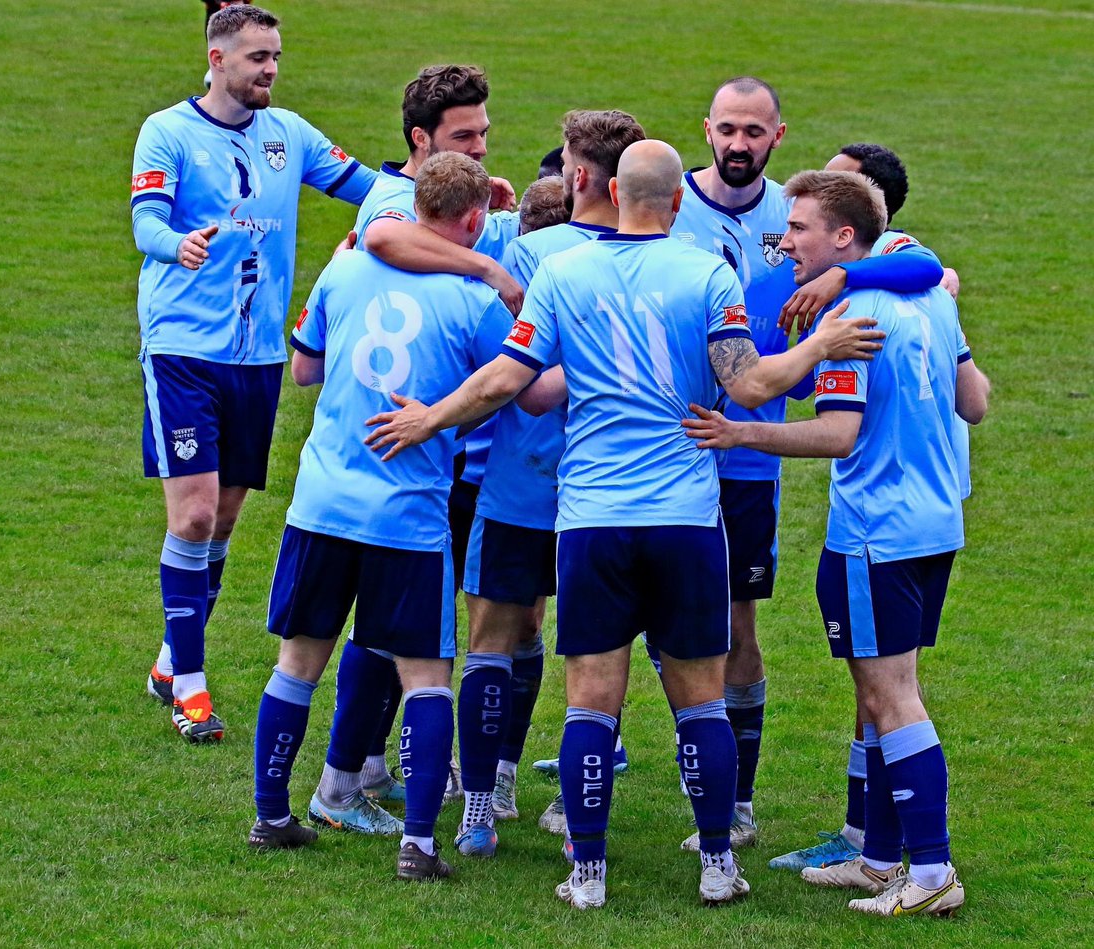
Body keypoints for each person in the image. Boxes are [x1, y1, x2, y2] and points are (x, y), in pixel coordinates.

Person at [364, 140, 886, 909]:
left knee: (590, 700)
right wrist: (821, 344)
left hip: (592, 517)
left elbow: (509, 378)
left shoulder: (564, 274)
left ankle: (588, 873)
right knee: (699, 698)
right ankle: (717, 863)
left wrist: (431, 417)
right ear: (679, 203)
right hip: (682, 516)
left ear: (612, 191)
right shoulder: (707, 272)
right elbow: (746, 385)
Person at [684, 169, 989, 917]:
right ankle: (881, 859)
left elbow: (837, 431)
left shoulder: (850, 316)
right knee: (889, 692)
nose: (785, 242)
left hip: (874, 533)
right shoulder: (929, 296)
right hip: (935, 523)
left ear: (844, 239)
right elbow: (974, 401)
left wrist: (739, 432)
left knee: (891, 697)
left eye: (799, 230)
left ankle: (933, 872)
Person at [666, 79, 945, 853]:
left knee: (742, 628)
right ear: (707, 129)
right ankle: (878, 846)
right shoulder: (670, 207)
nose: (739, 143)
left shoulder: (815, 232)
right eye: (727, 127)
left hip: (750, 460)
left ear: (775, 136)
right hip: (672, 448)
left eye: (754, 130)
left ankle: (758, 809)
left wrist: (846, 277)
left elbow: (926, 266)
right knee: (641, 622)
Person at [247, 153, 514, 881]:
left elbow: (303, 367)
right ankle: (420, 845)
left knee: (298, 665)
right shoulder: (471, 299)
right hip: (408, 516)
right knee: (427, 676)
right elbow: (534, 389)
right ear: (474, 220)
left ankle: (271, 815)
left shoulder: (345, 269)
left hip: (322, 503)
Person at [131, 4, 376, 742]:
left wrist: (455, 193)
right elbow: (146, 222)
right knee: (195, 514)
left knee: (226, 519)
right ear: (216, 58)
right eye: (256, 58)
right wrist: (180, 246)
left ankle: (172, 658)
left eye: (275, 57)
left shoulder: (289, 135)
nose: (269, 69)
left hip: (257, 356)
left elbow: (366, 185)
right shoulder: (167, 132)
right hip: (182, 347)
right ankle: (193, 691)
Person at [305, 64, 523, 821]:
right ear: (419, 139)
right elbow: (384, 235)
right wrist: (487, 264)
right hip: (408, 456)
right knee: (394, 627)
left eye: (485, 135)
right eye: (464, 138)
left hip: (419, 456)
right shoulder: (397, 200)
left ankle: (361, 764)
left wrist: (496, 215)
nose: (481, 148)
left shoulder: (451, 195)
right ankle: (346, 774)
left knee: (390, 625)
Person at [454, 110, 644, 854]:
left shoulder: (527, 254)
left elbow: (508, 375)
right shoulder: (671, 256)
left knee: (494, 637)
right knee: (601, 653)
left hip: (523, 485)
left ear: (579, 176)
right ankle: (574, 808)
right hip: (622, 492)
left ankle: (481, 799)